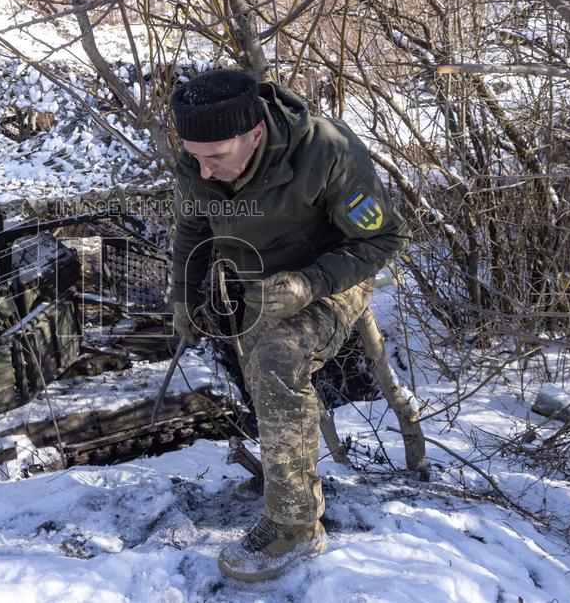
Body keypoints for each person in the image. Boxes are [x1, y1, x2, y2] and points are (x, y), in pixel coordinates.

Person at [169, 69, 411, 581]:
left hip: (332, 273)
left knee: (278, 362)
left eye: (216, 156)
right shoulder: (199, 161)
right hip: (256, 279)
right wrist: (185, 297)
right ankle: (287, 480)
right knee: (257, 374)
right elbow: (193, 226)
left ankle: (296, 526)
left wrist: (313, 282)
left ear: (256, 134)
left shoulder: (327, 150)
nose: (204, 170)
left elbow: (382, 239)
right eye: (194, 155)